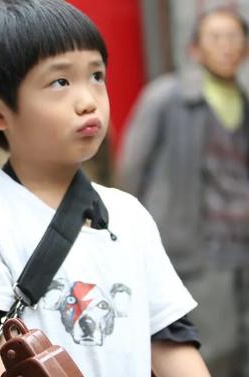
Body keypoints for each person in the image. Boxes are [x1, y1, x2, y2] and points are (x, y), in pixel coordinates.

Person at [0, 1, 210, 376]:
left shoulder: (128, 215)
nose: (88, 101)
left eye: (97, 76)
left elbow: (169, 345)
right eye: (60, 82)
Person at [118, 6, 249, 376]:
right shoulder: (165, 98)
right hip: (194, 254)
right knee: (206, 355)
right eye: (215, 37)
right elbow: (131, 170)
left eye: (233, 38)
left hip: (242, 249)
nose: (226, 46)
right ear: (194, 49)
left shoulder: (244, 101)